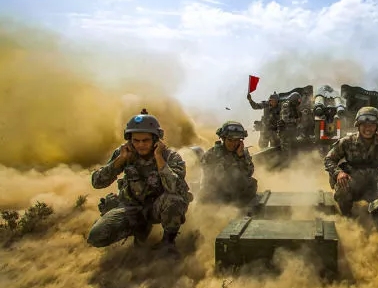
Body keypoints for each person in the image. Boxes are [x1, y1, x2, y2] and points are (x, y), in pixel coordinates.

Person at [87, 109, 193, 256]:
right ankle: (138, 230)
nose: (140, 145)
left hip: (156, 208)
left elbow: (174, 187)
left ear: (155, 140)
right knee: (96, 237)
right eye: (136, 141)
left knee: (174, 199)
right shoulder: (124, 153)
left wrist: (159, 158)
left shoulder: (170, 157)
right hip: (131, 208)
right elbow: (97, 182)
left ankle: (168, 243)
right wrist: (120, 160)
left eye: (145, 140)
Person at [324, 106, 378, 218]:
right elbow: (329, 159)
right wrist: (338, 173)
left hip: (376, 185)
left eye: (372, 125)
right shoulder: (347, 141)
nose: (368, 129)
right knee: (342, 187)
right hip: (354, 183)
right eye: (364, 125)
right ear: (358, 125)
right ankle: (347, 218)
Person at [199, 121, 257, 207]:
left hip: (235, 194)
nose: (233, 143)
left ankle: (239, 208)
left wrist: (241, 157)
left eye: (236, 140)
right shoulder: (211, 154)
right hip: (216, 193)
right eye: (230, 140)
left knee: (251, 183)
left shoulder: (242, 152)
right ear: (223, 139)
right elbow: (218, 177)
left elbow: (249, 172)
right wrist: (234, 161)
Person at [277, 92, 303, 159]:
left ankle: (294, 161)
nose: (298, 102)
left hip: (291, 130)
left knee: (294, 147)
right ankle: (286, 162)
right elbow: (285, 119)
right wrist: (295, 120)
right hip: (285, 131)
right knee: (286, 149)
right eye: (297, 101)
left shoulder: (293, 106)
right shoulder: (286, 105)